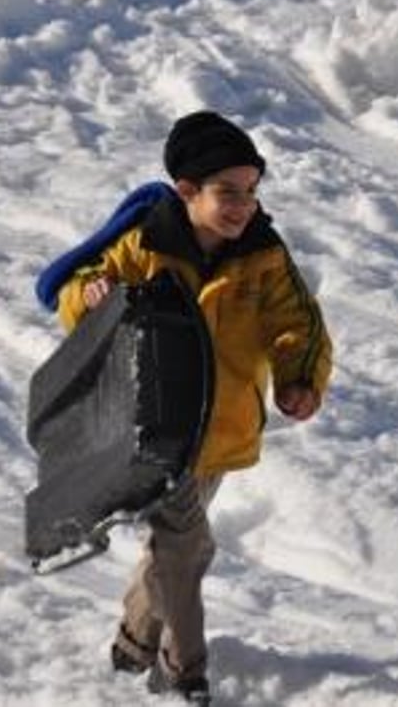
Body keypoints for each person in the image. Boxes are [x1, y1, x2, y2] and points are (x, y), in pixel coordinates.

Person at [55, 110, 333, 704]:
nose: (243, 206)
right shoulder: (145, 246)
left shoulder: (263, 256)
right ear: (187, 191)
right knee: (186, 544)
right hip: (150, 429)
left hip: (219, 433)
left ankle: (133, 645)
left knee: (171, 546)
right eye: (227, 192)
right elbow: (80, 291)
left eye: (252, 192)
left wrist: (298, 377)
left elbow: (298, 325)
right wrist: (92, 296)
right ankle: (187, 672)